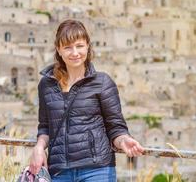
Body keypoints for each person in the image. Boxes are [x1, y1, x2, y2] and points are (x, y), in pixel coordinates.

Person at [29, 19, 144, 181]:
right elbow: (45, 126)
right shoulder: (46, 85)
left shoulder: (103, 82)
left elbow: (115, 126)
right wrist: (39, 147)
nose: (75, 53)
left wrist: (124, 140)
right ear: (58, 50)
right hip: (59, 171)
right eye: (68, 47)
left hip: (97, 170)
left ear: (88, 46)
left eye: (79, 46)